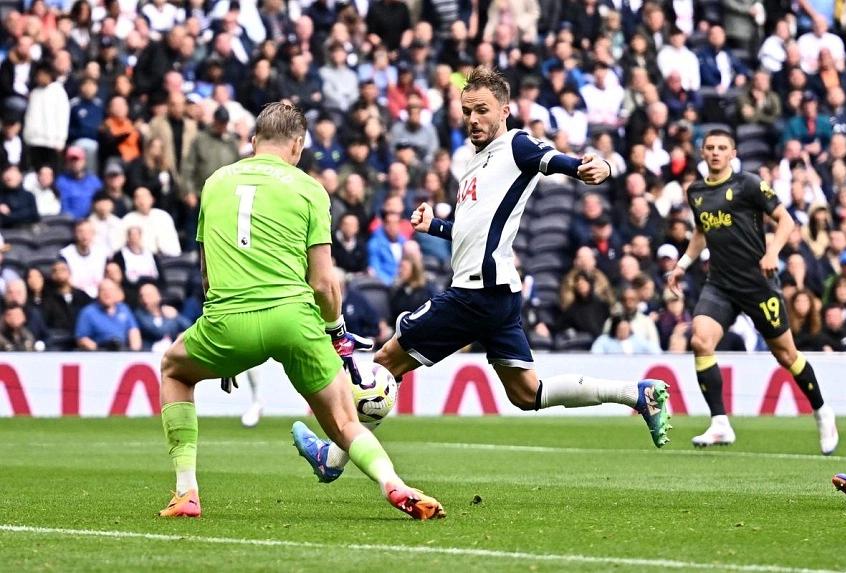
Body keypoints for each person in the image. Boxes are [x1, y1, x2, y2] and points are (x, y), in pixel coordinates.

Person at [293, 67, 672, 484]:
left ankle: (334, 457)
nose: (473, 119)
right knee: (528, 394)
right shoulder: (474, 164)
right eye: (467, 111)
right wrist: (433, 225)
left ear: (504, 111)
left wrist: (588, 166)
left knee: (385, 362)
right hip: (498, 295)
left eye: (482, 110)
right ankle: (638, 393)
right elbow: (468, 230)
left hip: (475, 293)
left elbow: (555, 160)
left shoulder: (516, 145)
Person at [157, 102, 444, 520]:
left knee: (173, 369)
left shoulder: (215, 182)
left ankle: (186, 492)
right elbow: (325, 283)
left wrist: (223, 342)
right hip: (294, 319)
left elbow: (206, 272)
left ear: (254, 142)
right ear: (297, 146)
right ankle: (394, 484)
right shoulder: (309, 188)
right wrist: (336, 330)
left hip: (228, 319)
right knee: (345, 420)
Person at [666, 129, 838, 454]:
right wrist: (683, 264)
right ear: (702, 153)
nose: (715, 153)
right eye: (710, 148)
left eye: (722, 148)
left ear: (732, 153)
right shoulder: (697, 192)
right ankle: (720, 423)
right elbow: (701, 233)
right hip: (719, 283)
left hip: (757, 284)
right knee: (700, 339)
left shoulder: (748, 184)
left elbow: (785, 220)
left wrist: (772, 251)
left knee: (786, 355)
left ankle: (822, 411)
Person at [75, 278, 142, 351]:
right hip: (99, 353)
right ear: (98, 293)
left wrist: (135, 352)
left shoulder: (124, 308)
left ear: (116, 293)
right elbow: (81, 339)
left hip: (123, 351)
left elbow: (133, 331)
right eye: (103, 290)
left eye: (110, 290)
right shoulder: (88, 312)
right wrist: (98, 350)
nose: (107, 293)